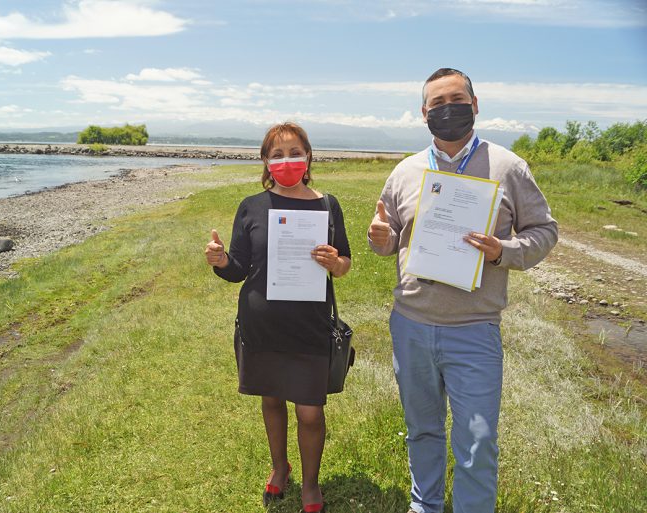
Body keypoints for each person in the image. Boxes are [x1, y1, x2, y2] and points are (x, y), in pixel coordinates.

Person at [367, 68, 558, 513]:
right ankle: (425, 506)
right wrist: (382, 239)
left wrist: (502, 252)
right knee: (422, 429)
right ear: (423, 113)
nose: (446, 109)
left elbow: (545, 232)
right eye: (437, 103)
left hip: (474, 329)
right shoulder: (406, 171)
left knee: (477, 439)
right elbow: (391, 235)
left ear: (475, 105)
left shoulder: (508, 168)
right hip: (411, 325)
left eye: (456, 99)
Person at [205, 122, 351, 513]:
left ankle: (311, 484)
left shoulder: (326, 205)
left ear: (308, 157)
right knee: (271, 398)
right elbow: (238, 267)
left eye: (294, 152)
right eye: (277, 154)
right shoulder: (252, 206)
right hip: (262, 323)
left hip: (309, 325)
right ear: (266, 162)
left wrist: (334, 262)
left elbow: (344, 265)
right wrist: (221, 261)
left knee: (309, 409)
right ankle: (279, 466)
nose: (287, 161)